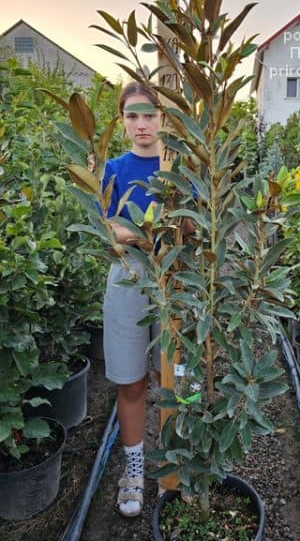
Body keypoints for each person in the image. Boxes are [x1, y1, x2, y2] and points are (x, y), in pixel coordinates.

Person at [102, 81, 162, 518]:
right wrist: (157, 232)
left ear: (164, 117)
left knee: (182, 378)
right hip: (128, 277)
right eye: (132, 116)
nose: (141, 125)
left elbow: (200, 226)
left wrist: (135, 232)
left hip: (180, 277)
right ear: (122, 122)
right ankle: (135, 471)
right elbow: (109, 229)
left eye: (149, 114)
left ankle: (185, 467)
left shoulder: (184, 164)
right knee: (132, 381)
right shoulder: (112, 169)